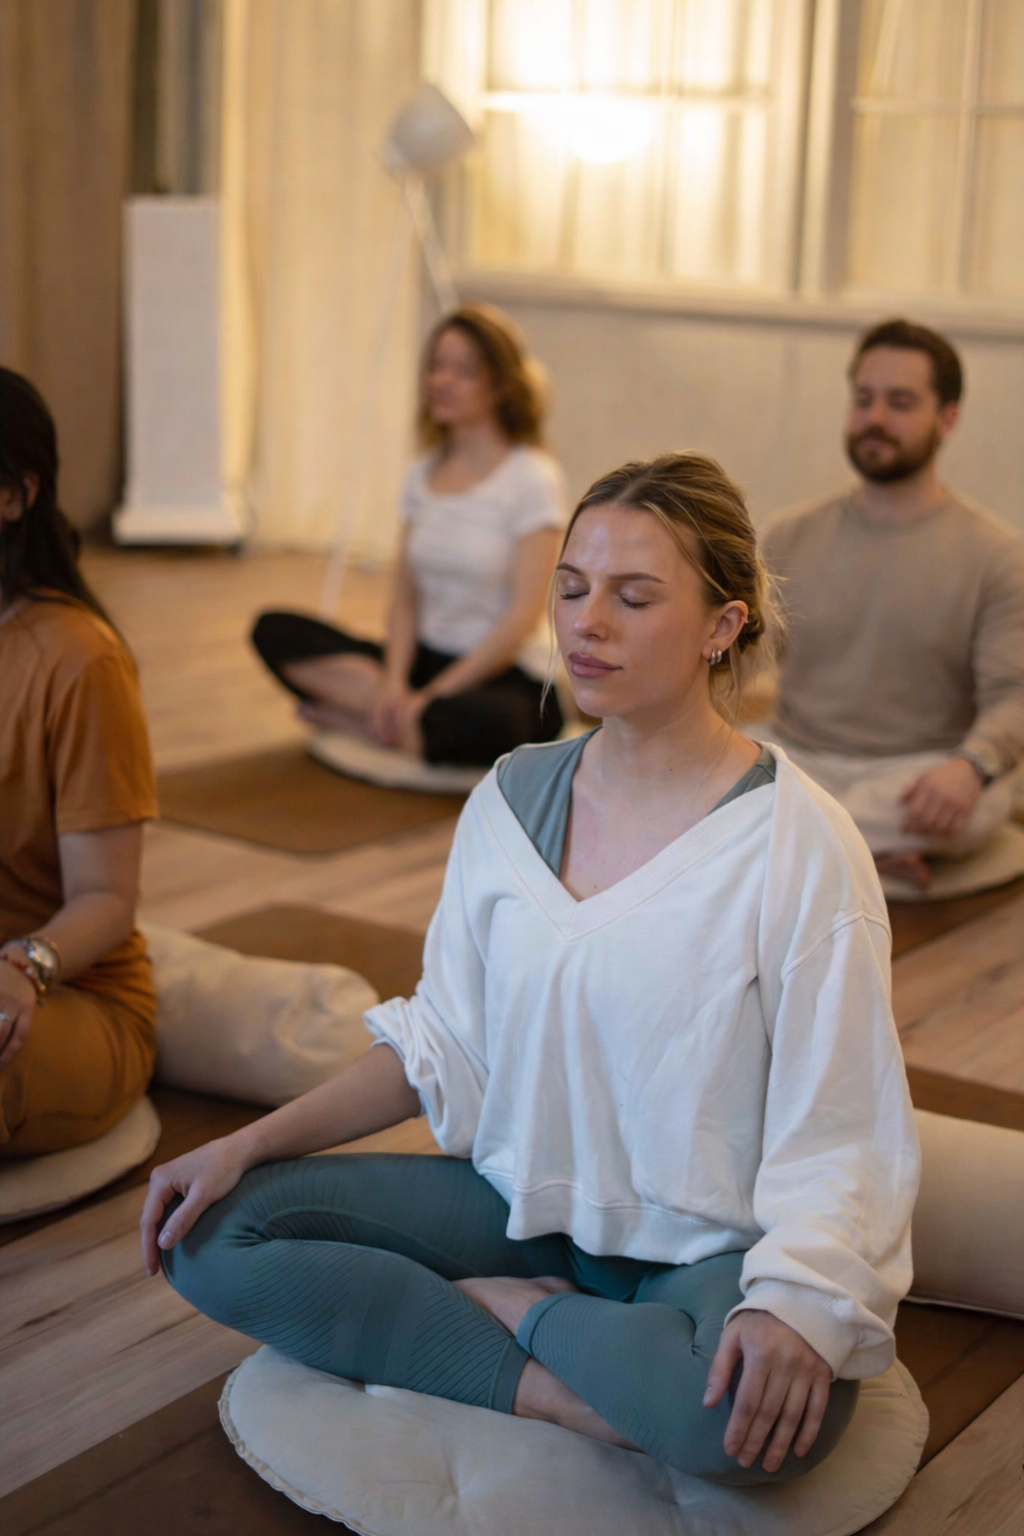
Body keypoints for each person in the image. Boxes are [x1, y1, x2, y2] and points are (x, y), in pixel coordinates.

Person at [142, 451, 918, 1486]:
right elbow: (444, 1040)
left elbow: (844, 1122)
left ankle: (517, 1318)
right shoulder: (508, 798)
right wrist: (242, 1146)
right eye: (570, 587)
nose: (586, 622)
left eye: (635, 597)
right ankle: (558, 1385)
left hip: (702, 1251)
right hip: (524, 1209)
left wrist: (793, 1302)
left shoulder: (800, 845)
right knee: (214, 1233)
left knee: (744, 1421)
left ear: (722, 626)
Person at [763, 318, 1024, 890]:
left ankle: (793, 846)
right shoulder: (786, 537)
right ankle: (856, 853)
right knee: (720, 775)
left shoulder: (996, 555)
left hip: (913, 777)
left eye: (900, 402)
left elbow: (1014, 698)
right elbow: (731, 665)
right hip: (800, 759)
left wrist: (968, 767)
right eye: (864, 399)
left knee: (989, 798)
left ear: (947, 418)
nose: (875, 418)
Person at [251, 304, 567, 767]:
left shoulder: (533, 478)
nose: (441, 380)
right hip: (422, 660)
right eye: (436, 365)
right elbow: (403, 598)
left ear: (500, 386)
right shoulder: (421, 475)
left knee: (505, 725)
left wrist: (437, 693)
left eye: (463, 371)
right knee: (273, 630)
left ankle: (364, 722)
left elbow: (521, 618)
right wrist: (395, 684)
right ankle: (402, 720)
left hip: (500, 672)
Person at [0, 367, 158, 1157]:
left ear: (13, 495)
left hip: (71, 997)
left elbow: (105, 897)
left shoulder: (78, 660)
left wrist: (25, 965)